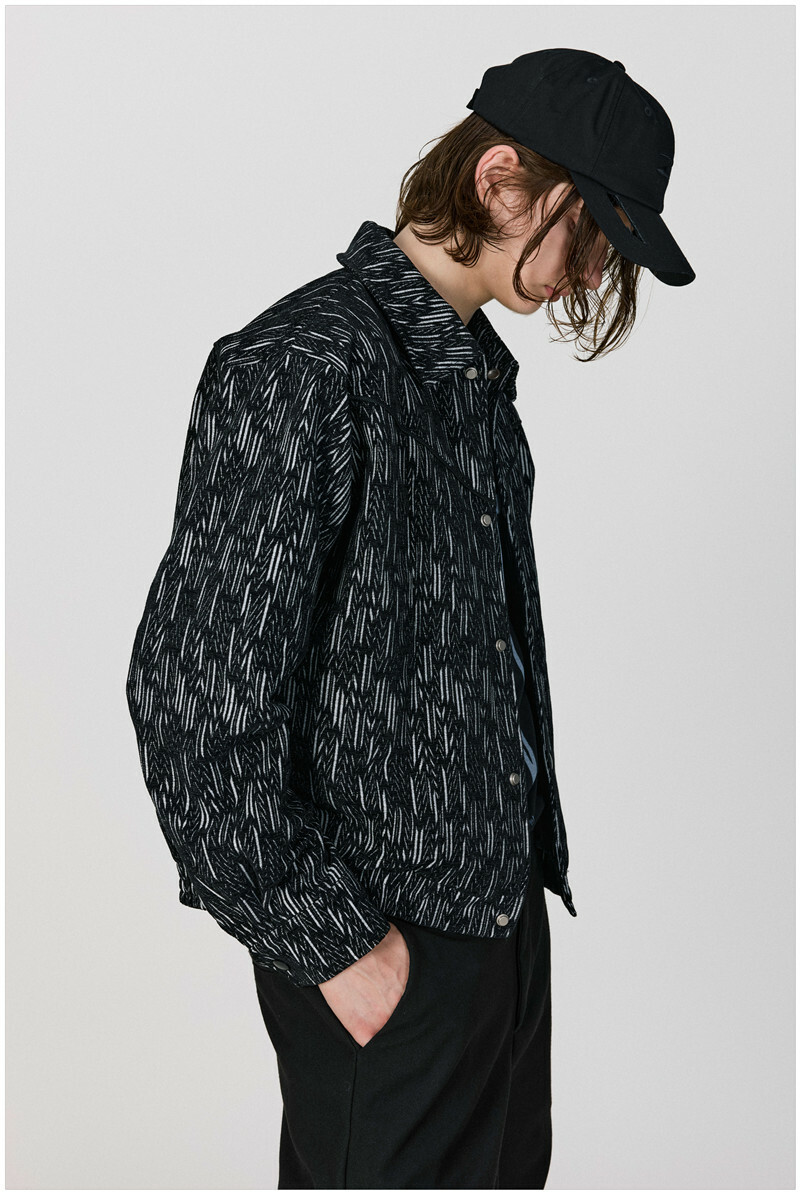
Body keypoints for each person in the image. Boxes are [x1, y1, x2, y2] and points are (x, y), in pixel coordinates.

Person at [126, 48, 694, 1189]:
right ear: (499, 180)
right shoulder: (305, 365)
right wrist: (334, 944)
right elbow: (192, 696)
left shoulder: (472, 386)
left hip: (496, 929)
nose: (591, 275)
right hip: (379, 940)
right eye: (590, 233)